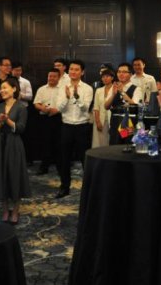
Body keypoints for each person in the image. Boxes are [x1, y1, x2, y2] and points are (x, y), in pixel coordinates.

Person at [0, 77, 30, 224]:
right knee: (1, 175)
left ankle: (16, 210)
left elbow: (21, 128)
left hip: (14, 144)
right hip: (0, 143)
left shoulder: (21, 107)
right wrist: (0, 123)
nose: (2, 90)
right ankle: (5, 210)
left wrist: (8, 121)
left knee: (15, 175)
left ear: (14, 89)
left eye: (5, 87)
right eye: (1, 88)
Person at [55, 60, 93, 198]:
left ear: (82, 72)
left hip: (82, 127)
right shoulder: (62, 87)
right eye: (71, 69)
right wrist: (67, 97)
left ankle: (88, 187)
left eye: (76, 69)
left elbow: (85, 108)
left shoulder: (87, 88)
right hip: (66, 126)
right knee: (64, 159)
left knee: (85, 159)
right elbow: (59, 108)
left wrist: (76, 97)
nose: (73, 72)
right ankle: (64, 187)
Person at [105, 63, 142, 145]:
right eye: (119, 72)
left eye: (124, 72)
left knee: (126, 146)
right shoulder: (113, 87)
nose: (121, 74)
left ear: (131, 74)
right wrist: (113, 94)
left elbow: (135, 106)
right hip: (115, 122)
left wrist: (122, 92)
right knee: (114, 147)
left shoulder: (137, 89)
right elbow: (106, 106)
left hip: (129, 124)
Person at [33, 69, 62, 175]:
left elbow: (66, 104)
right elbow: (36, 103)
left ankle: (60, 167)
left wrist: (57, 110)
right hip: (45, 119)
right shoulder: (41, 89)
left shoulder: (63, 89)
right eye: (50, 76)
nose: (51, 78)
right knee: (45, 142)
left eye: (54, 76)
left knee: (59, 143)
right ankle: (44, 167)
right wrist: (42, 108)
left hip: (59, 118)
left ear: (59, 77)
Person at [92, 68, 115, 148]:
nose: (105, 78)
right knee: (100, 142)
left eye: (107, 76)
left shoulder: (115, 89)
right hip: (100, 119)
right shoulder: (98, 90)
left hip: (112, 119)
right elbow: (96, 107)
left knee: (110, 141)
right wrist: (98, 121)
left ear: (112, 78)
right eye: (103, 77)